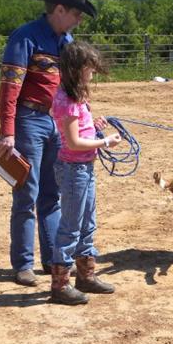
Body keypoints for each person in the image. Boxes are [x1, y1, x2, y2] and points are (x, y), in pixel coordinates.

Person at [0, 0, 97, 286]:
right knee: (27, 193)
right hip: (30, 121)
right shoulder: (25, 38)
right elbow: (10, 88)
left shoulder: (66, 43)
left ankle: (53, 260)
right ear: (60, 9)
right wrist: (7, 132)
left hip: (58, 123)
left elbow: (75, 89)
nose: (79, 21)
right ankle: (23, 264)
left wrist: (87, 117)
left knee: (53, 194)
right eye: (77, 14)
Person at [50, 41, 121, 305]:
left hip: (83, 168)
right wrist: (105, 142)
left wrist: (95, 124)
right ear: (77, 69)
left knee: (87, 223)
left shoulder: (76, 97)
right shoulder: (67, 101)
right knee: (70, 227)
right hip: (74, 169)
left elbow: (80, 132)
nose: (92, 72)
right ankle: (60, 285)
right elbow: (73, 143)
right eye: (89, 68)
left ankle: (85, 276)